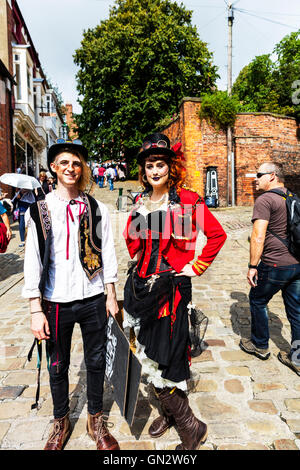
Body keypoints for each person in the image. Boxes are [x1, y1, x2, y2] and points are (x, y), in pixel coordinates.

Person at [123, 133, 227, 450]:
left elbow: (216, 235)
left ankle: (189, 428)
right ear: (144, 171)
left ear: (171, 167)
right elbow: (133, 248)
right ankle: (171, 414)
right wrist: (137, 223)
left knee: (165, 358)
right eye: (150, 165)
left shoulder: (189, 200)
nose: (155, 170)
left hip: (172, 291)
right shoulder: (141, 203)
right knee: (146, 354)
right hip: (142, 287)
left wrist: (195, 267)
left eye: (161, 164)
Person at [22, 139, 120, 451]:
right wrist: (35, 309)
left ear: (82, 168)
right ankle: (61, 421)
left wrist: (111, 294)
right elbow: (32, 260)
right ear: (54, 167)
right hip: (55, 300)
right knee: (58, 365)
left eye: (76, 163)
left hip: (92, 296)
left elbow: (108, 253)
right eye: (64, 162)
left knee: (95, 362)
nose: (70, 168)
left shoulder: (96, 207)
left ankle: (96, 420)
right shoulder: (40, 210)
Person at [240, 162, 300, 376]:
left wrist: (252, 266)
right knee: (296, 310)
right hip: (296, 264)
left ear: (272, 176)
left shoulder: (265, 199)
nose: (256, 179)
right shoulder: (292, 197)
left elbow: (258, 236)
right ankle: (298, 359)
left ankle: (260, 345)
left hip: (274, 263)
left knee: (258, 300)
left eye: (259, 175)